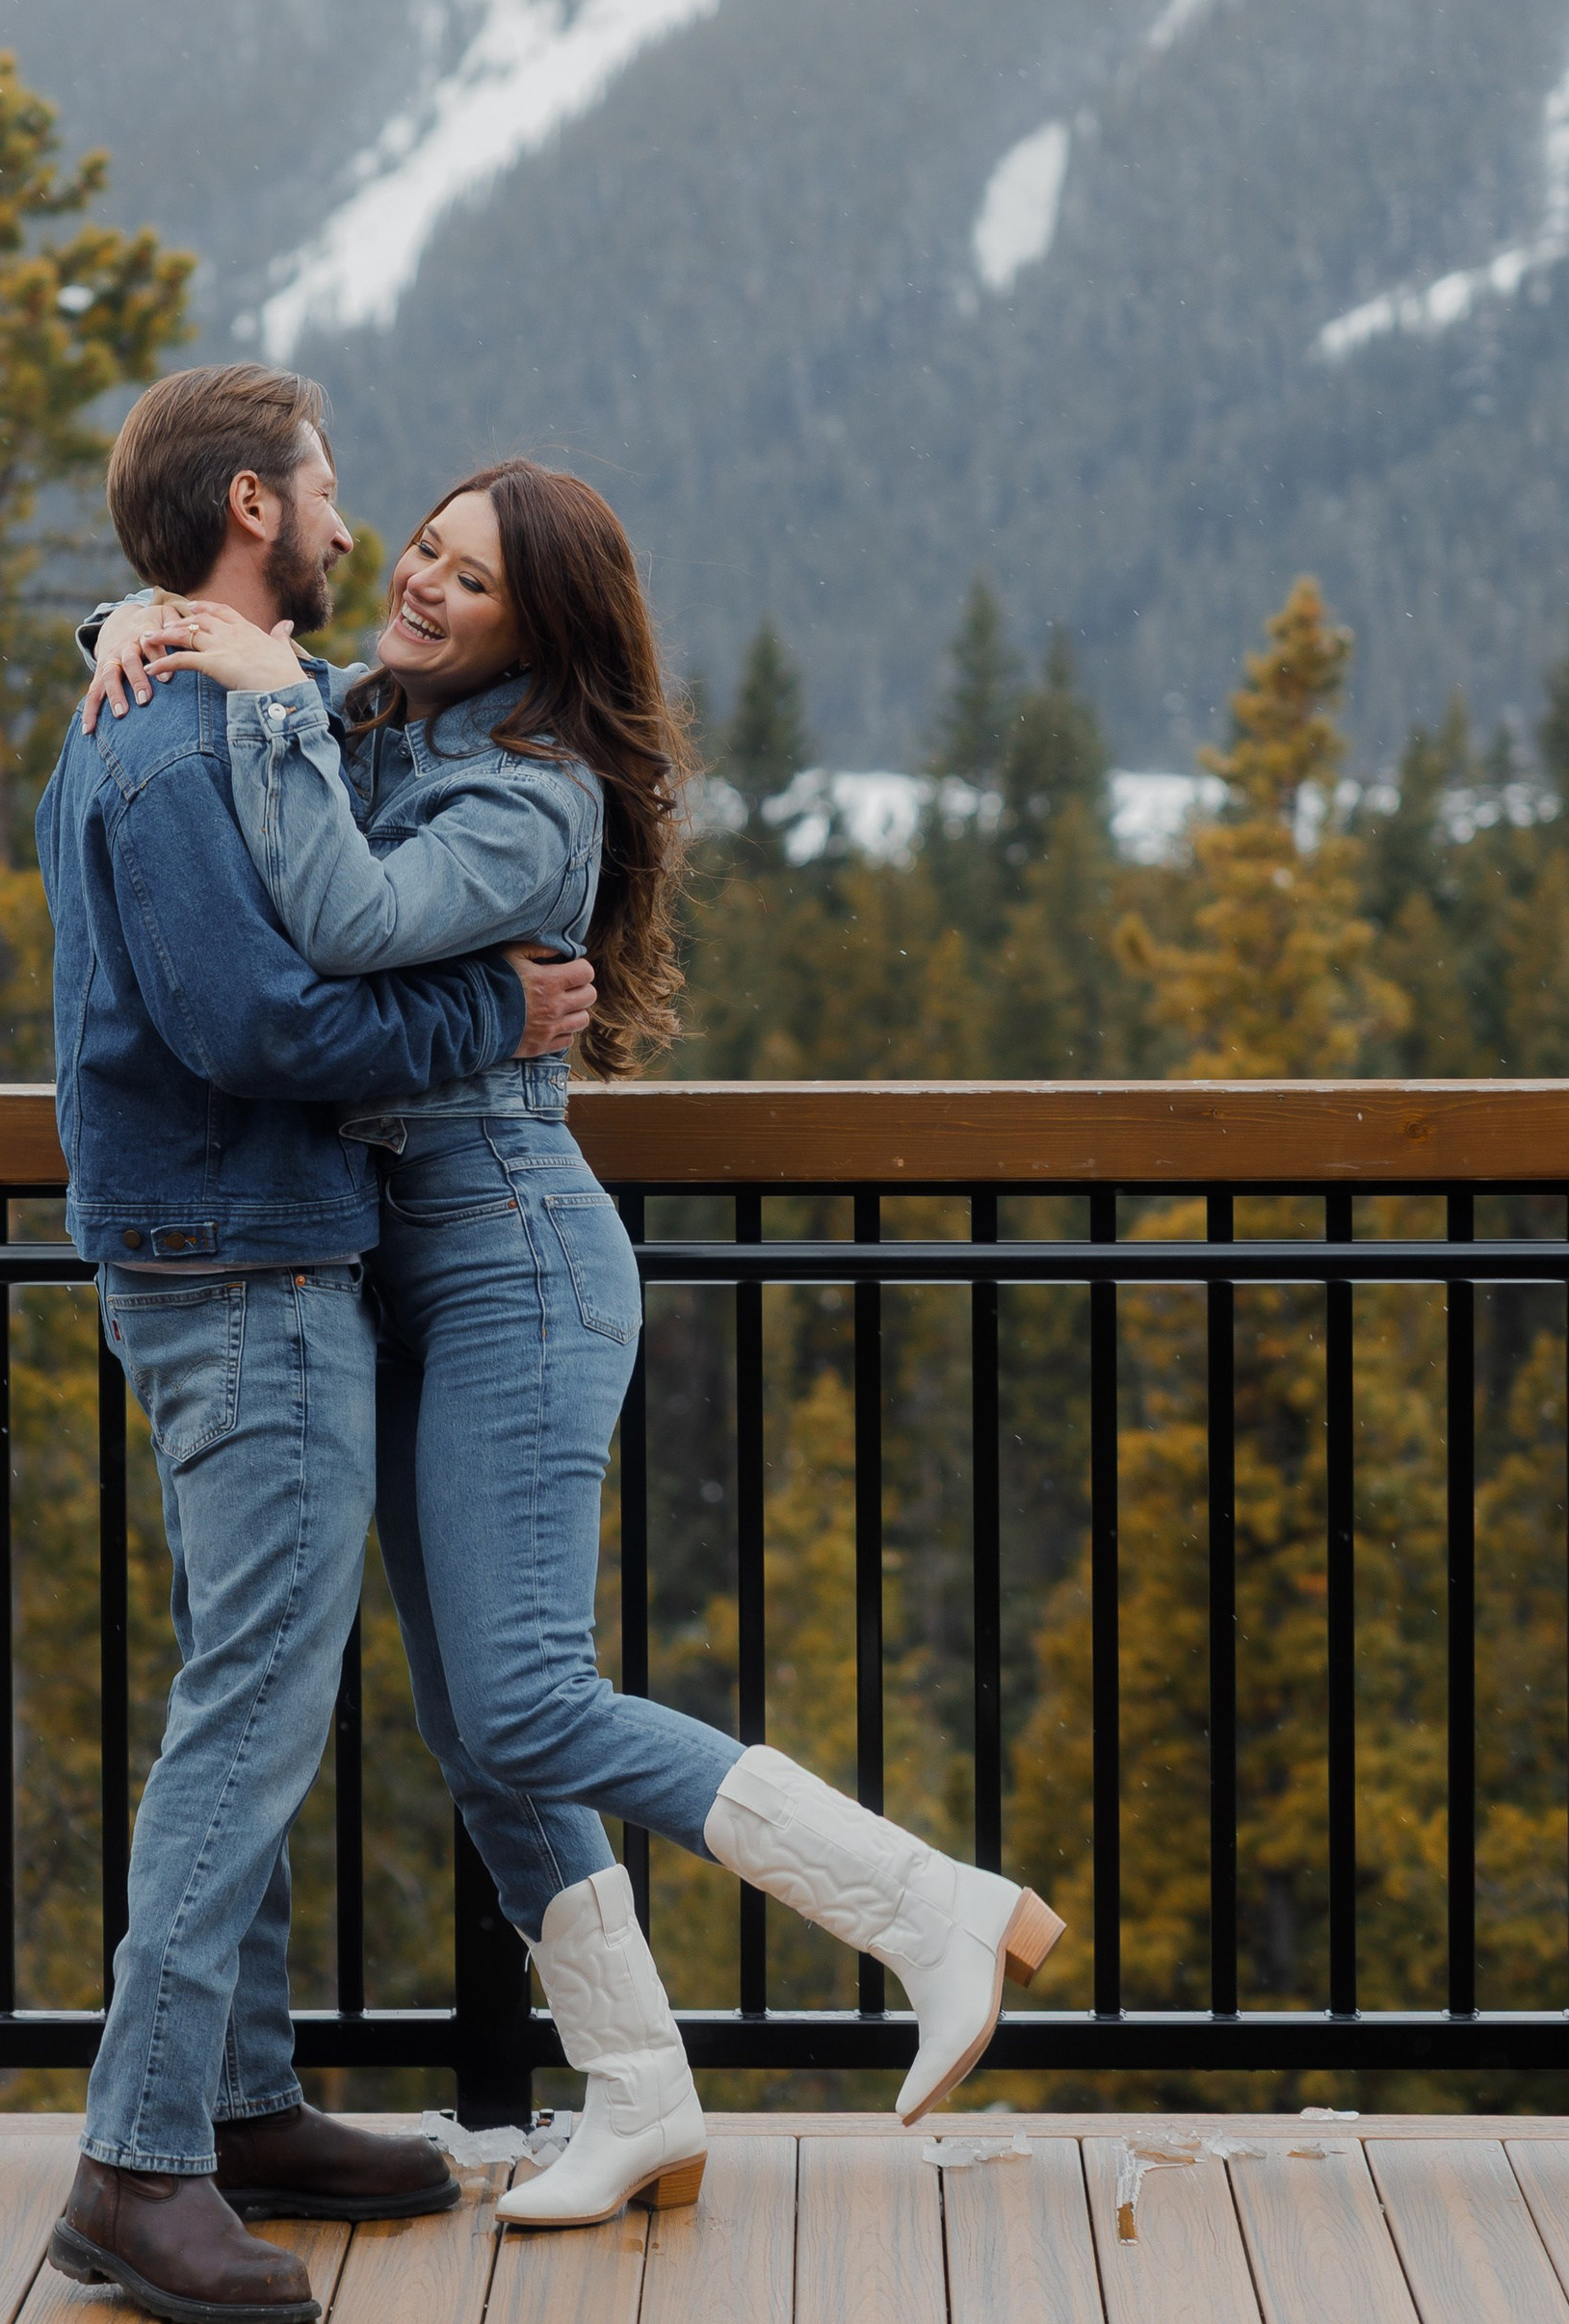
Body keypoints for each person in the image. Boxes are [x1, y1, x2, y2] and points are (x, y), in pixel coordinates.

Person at [81, 457, 1065, 2233]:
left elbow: (348, 926)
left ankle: (926, 1904)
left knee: (527, 1687)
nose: (424, 583)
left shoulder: (534, 795)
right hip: (403, 1256)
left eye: (471, 577)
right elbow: (268, 692)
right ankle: (636, 2087)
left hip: (517, 1255)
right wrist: (149, 622)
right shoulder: (387, 720)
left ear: (544, 624)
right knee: (481, 1726)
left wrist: (251, 683)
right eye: (424, 549)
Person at [35, 367, 598, 2324]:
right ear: (256, 513)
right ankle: (137, 2162)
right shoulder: (181, 734)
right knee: (255, 1702)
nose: (361, 532)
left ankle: (245, 2107)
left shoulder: (180, 692)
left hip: (244, 1248)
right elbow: (256, 1031)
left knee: (247, 1677)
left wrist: (134, 616)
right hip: (237, 1257)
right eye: (339, 497)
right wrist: (492, 1026)